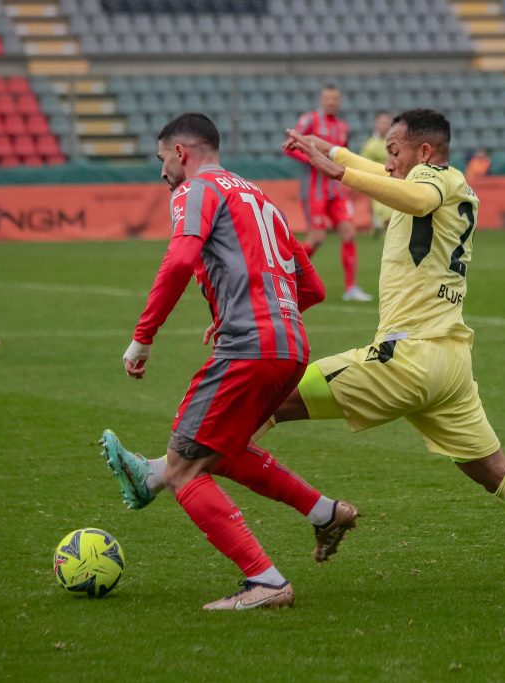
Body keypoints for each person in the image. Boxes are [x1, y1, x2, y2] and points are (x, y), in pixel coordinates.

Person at [262, 109, 505, 578]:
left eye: (393, 151)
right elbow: (393, 183)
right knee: (501, 476)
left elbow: (413, 194)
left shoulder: (434, 180)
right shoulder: (450, 185)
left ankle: (172, 473)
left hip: (407, 357)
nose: (387, 162)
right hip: (450, 366)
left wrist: (339, 171)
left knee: (266, 397)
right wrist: (332, 152)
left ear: (424, 152)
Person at [99, 113, 358, 611]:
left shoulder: (195, 190)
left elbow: (178, 260)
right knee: (223, 449)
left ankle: (265, 581)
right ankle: (325, 512)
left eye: (161, 162)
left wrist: (143, 338)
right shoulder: (263, 199)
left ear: (181, 153)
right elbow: (315, 289)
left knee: (186, 471)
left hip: (250, 346)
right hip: (290, 347)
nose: (162, 175)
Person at [284, 84, 372, 302]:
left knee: (349, 233)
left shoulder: (343, 126)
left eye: (335, 99)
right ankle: (286, 278)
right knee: (317, 238)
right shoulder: (310, 120)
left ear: (339, 101)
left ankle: (351, 288)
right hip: (316, 189)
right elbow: (288, 147)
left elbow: (344, 155)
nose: (332, 102)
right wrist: (314, 161)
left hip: (337, 190)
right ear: (322, 100)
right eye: (328, 99)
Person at [359, 110, 392, 235]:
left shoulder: (398, 143)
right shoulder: (370, 145)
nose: (384, 125)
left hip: (396, 185)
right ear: (376, 125)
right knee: (388, 221)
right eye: (381, 122)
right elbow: (362, 166)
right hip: (379, 188)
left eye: (387, 122)